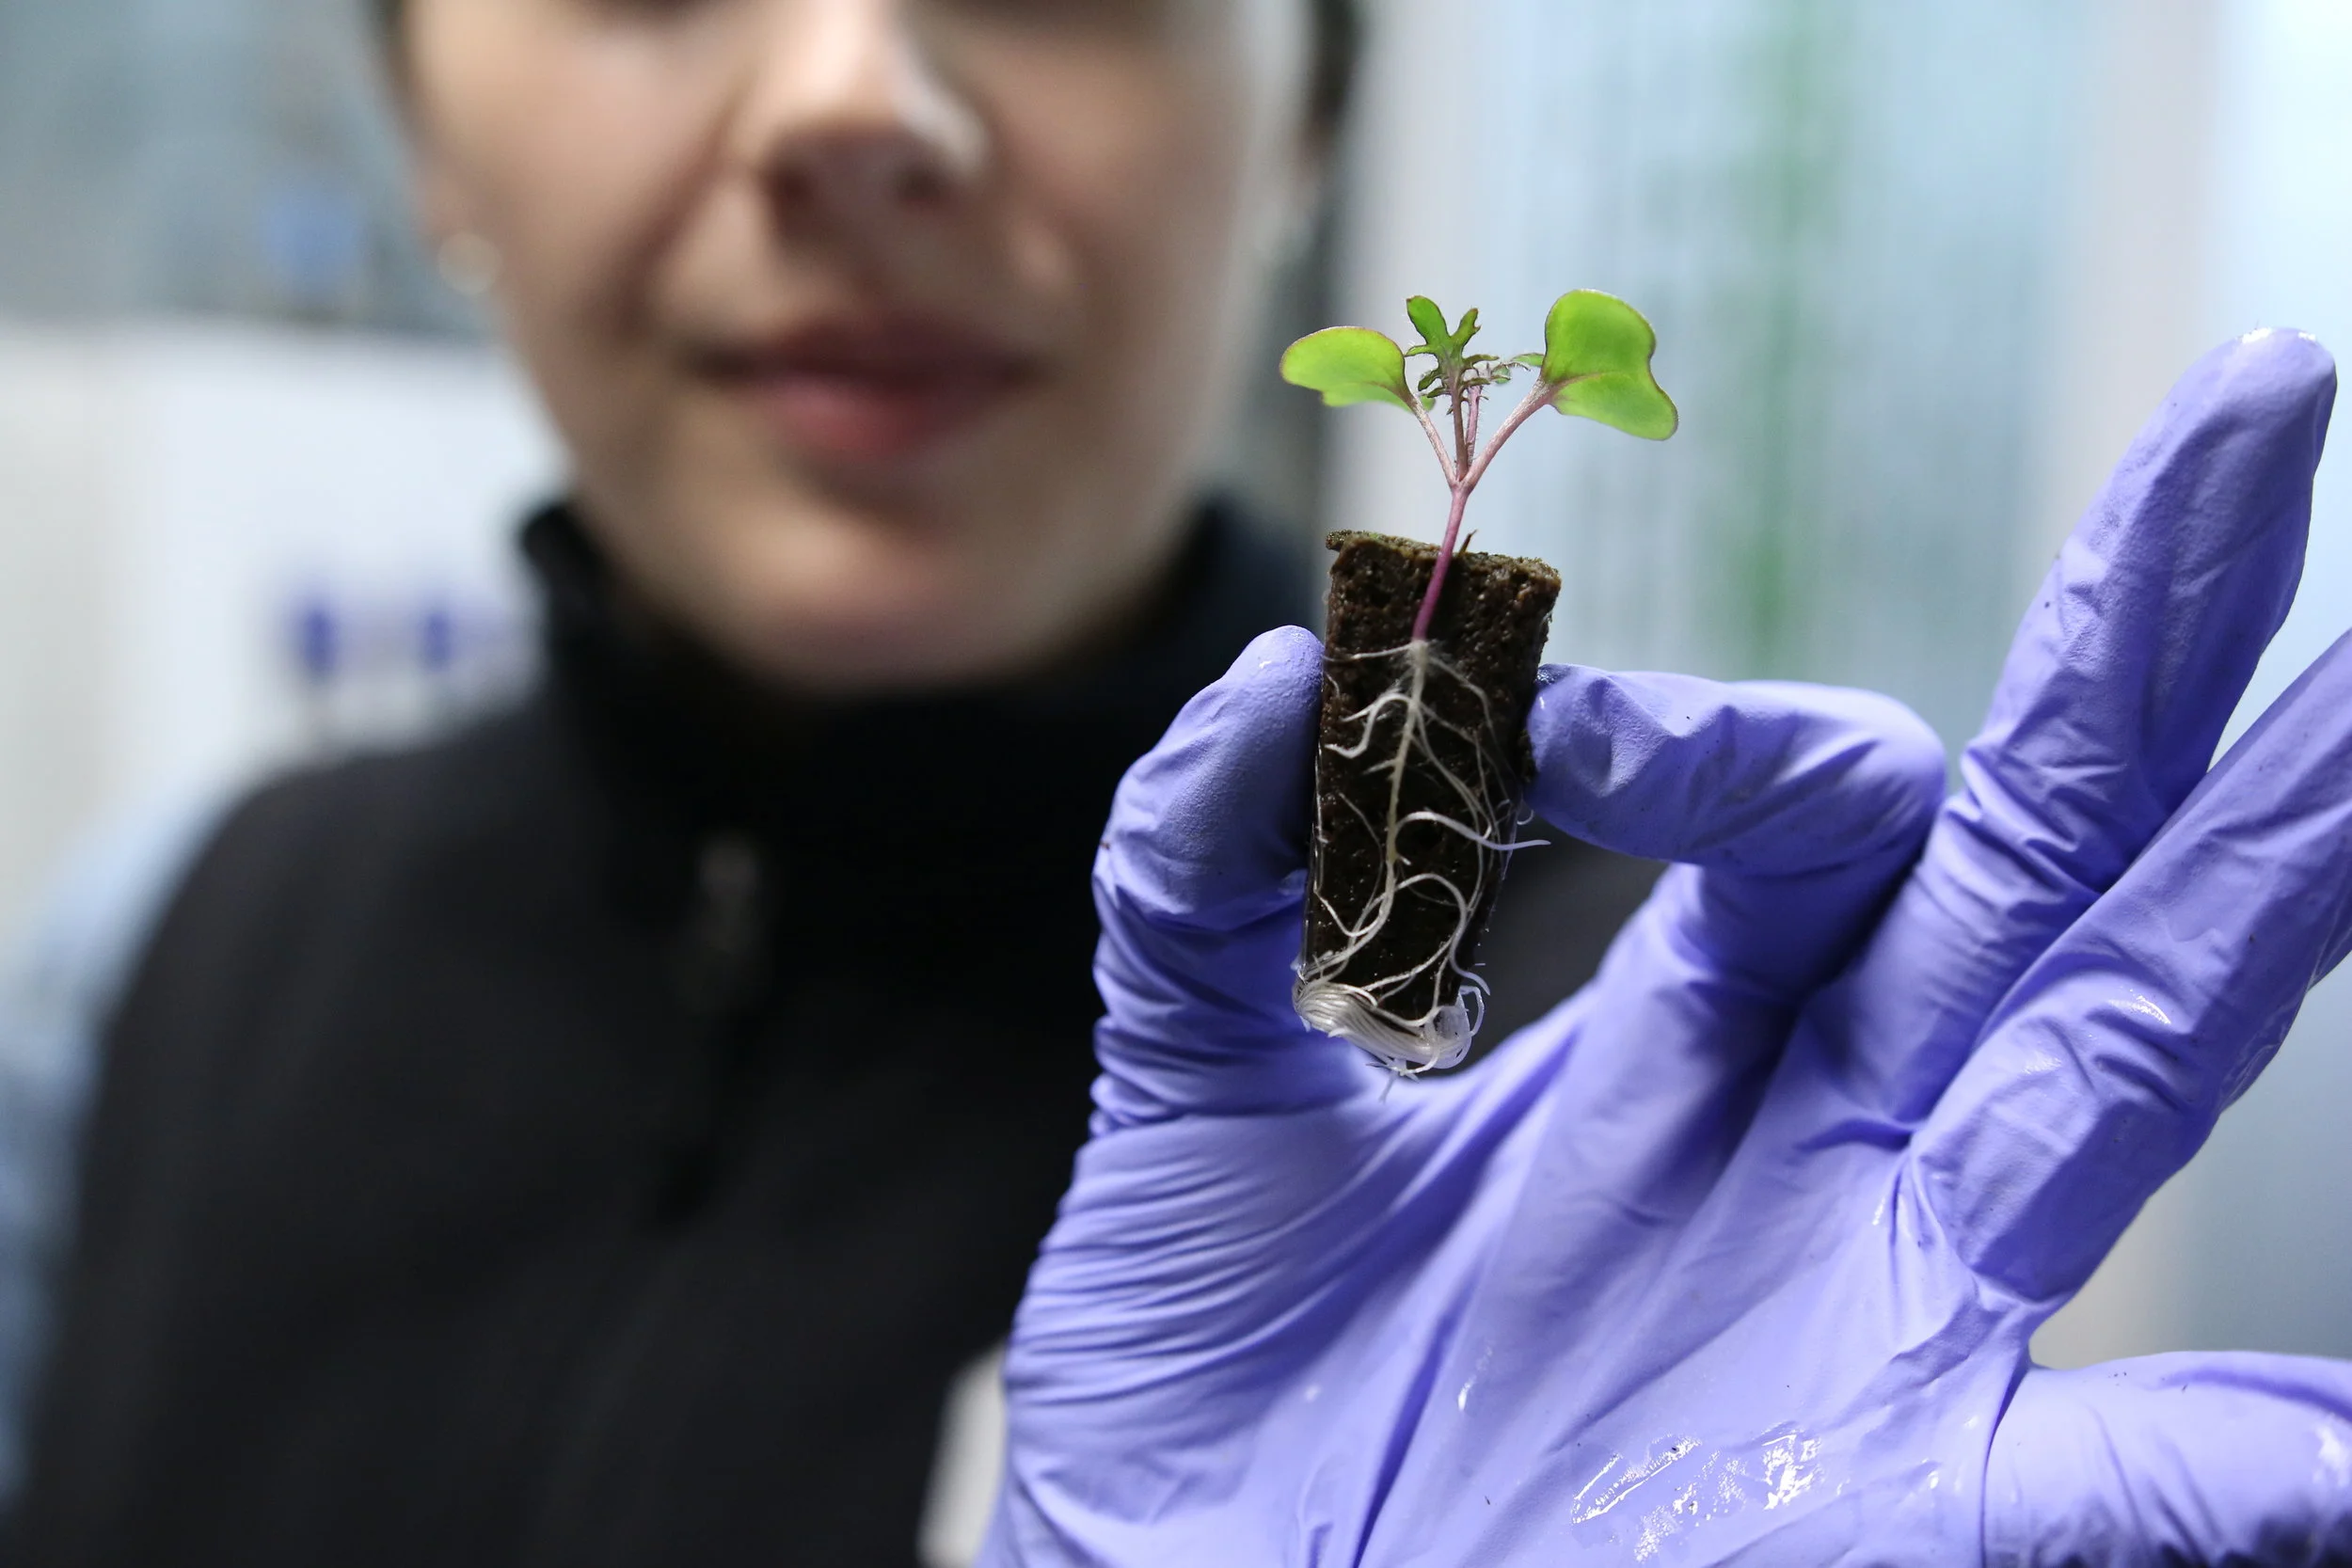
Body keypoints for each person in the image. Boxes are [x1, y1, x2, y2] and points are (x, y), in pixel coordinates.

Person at [0, 0, 1645, 1562]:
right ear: (420, 112)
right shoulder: (147, 976)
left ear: (1312, 110)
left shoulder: (1648, 1086)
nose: (851, 105)